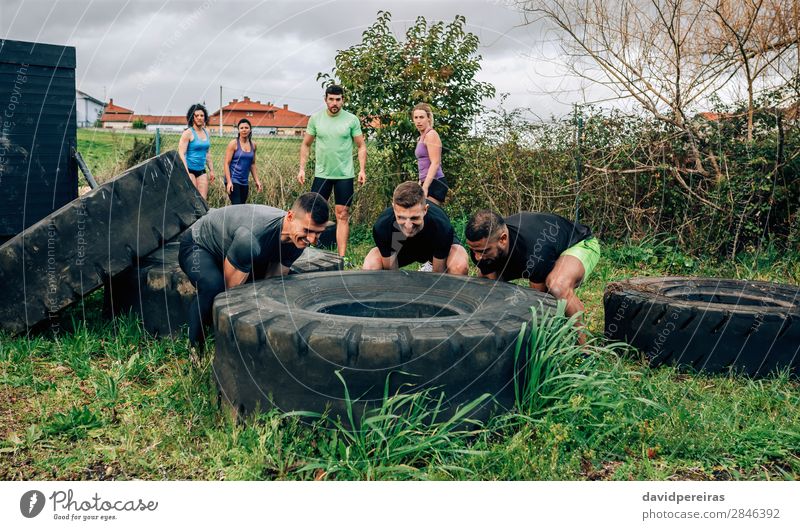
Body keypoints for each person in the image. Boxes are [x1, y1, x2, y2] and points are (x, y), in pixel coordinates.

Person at [178, 192, 329, 350]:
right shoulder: (251, 239)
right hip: (197, 245)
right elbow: (230, 295)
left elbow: (272, 284)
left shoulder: (297, 240)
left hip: (232, 249)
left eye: (318, 232)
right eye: (307, 230)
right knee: (214, 287)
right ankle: (195, 348)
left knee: (280, 284)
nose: (312, 240)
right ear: (290, 217)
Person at [464, 210, 600, 320]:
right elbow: (495, 286)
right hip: (544, 251)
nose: (477, 257)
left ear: (503, 239)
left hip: (579, 243)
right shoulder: (481, 248)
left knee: (557, 286)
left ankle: (584, 350)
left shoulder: (534, 251)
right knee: (484, 284)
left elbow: (539, 300)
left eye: (483, 251)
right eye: (473, 250)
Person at [297, 84, 366, 260]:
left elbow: (361, 146)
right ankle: (309, 252)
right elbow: (306, 144)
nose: (334, 103)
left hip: (345, 175)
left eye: (338, 99)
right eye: (331, 99)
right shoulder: (316, 119)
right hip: (322, 174)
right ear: (325, 99)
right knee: (312, 213)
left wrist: (362, 170)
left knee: (342, 214)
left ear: (343, 100)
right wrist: (302, 169)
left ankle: (341, 258)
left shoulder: (351, 120)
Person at [362, 181, 468, 274]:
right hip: (401, 249)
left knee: (459, 265)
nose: (408, 226)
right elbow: (392, 274)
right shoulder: (382, 226)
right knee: (370, 265)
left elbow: (438, 275)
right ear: (394, 208)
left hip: (433, 250)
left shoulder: (441, 225)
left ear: (425, 210)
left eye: (414, 218)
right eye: (401, 218)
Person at [412, 103, 448, 206]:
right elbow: (423, 164)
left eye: (422, 117)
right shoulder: (421, 137)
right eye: (416, 117)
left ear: (428, 118)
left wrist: (425, 187)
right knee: (422, 217)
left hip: (435, 182)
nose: (418, 121)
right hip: (425, 181)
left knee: (429, 216)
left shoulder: (431, 135)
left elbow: (435, 163)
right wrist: (420, 183)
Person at [178, 103, 215, 201]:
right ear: (192, 117)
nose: (199, 118)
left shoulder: (207, 133)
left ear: (205, 118)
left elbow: (207, 153)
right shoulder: (188, 133)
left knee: (203, 200)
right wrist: (185, 171)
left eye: (202, 115)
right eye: (196, 115)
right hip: (189, 170)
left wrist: (211, 170)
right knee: (193, 199)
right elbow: (181, 153)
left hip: (201, 170)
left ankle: (202, 216)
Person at [223, 118, 262, 204]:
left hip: (244, 181)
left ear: (250, 129)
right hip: (233, 180)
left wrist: (257, 181)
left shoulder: (253, 145)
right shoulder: (233, 144)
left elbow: (252, 164)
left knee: (242, 206)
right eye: (241, 128)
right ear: (238, 130)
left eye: (246, 128)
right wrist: (229, 182)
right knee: (237, 206)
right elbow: (226, 163)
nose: (244, 130)